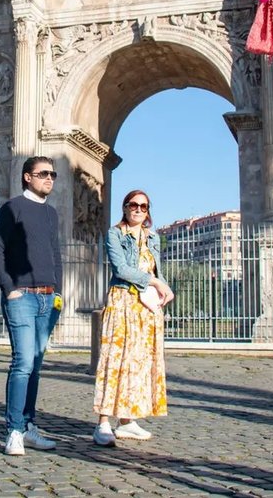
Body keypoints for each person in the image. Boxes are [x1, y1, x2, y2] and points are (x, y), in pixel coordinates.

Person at [0, 156, 63, 456]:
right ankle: (14, 430)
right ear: (27, 177)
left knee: (36, 366)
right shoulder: (12, 208)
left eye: (53, 174)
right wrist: (9, 288)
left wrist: (59, 292)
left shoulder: (52, 214)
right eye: (43, 173)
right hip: (22, 296)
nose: (50, 178)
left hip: (48, 297)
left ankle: (29, 426)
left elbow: (56, 252)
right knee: (23, 363)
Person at [93, 190, 175, 447]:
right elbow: (121, 269)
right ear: (125, 207)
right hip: (122, 301)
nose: (138, 209)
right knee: (114, 360)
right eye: (133, 205)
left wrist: (161, 287)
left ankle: (127, 421)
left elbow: (154, 268)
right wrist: (155, 282)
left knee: (139, 363)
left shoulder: (154, 238)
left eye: (143, 206)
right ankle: (103, 423)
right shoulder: (115, 233)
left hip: (146, 307)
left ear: (148, 210)